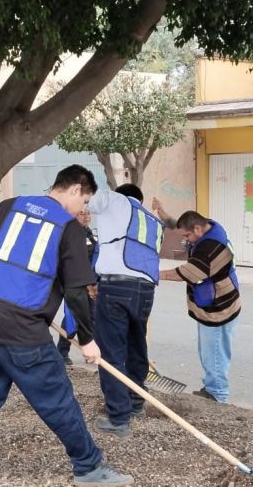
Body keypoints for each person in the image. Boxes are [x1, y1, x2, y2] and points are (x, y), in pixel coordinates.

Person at [0, 165, 132, 487]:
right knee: (58, 400)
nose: (83, 209)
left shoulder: (8, 206)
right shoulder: (68, 227)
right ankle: (89, 468)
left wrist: (3, 280)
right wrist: (88, 339)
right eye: (85, 201)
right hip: (23, 334)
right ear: (75, 189)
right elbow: (76, 290)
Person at [86, 183, 162, 437]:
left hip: (116, 287)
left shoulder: (115, 200)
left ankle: (118, 418)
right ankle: (136, 401)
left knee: (110, 352)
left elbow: (88, 202)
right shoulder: (152, 219)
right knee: (136, 344)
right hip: (146, 290)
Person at [155, 204, 241, 404]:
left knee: (215, 351)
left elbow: (186, 273)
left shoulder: (211, 247)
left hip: (219, 308)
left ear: (198, 230)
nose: (185, 240)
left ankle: (218, 393)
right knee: (209, 350)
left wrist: (153, 274)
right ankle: (212, 387)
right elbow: (184, 224)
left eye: (187, 236)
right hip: (215, 302)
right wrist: (165, 216)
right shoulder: (209, 226)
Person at [57, 208, 98, 365]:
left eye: (88, 213)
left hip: (90, 284)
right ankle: (61, 352)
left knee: (92, 318)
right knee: (72, 319)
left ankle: (89, 353)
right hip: (75, 284)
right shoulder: (71, 235)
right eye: (82, 213)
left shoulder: (90, 234)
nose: (87, 216)